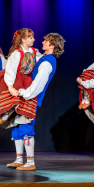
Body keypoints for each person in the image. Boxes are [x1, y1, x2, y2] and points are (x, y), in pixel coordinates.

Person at [7, 33, 65, 171]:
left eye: (46, 41)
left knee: (26, 127)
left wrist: (23, 93)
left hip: (31, 98)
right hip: (27, 97)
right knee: (18, 127)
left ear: (52, 45)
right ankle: (20, 159)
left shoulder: (47, 62)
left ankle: (30, 162)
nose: (42, 41)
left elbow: (38, 84)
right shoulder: (43, 58)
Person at [0, 28, 41, 128]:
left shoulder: (34, 51)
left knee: (23, 102)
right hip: (17, 78)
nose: (34, 39)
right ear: (23, 39)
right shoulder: (17, 53)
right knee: (14, 98)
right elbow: (10, 70)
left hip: (26, 80)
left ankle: (8, 114)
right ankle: (2, 114)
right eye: (31, 37)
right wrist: (10, 86)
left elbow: (41, 60)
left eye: (33, 37)